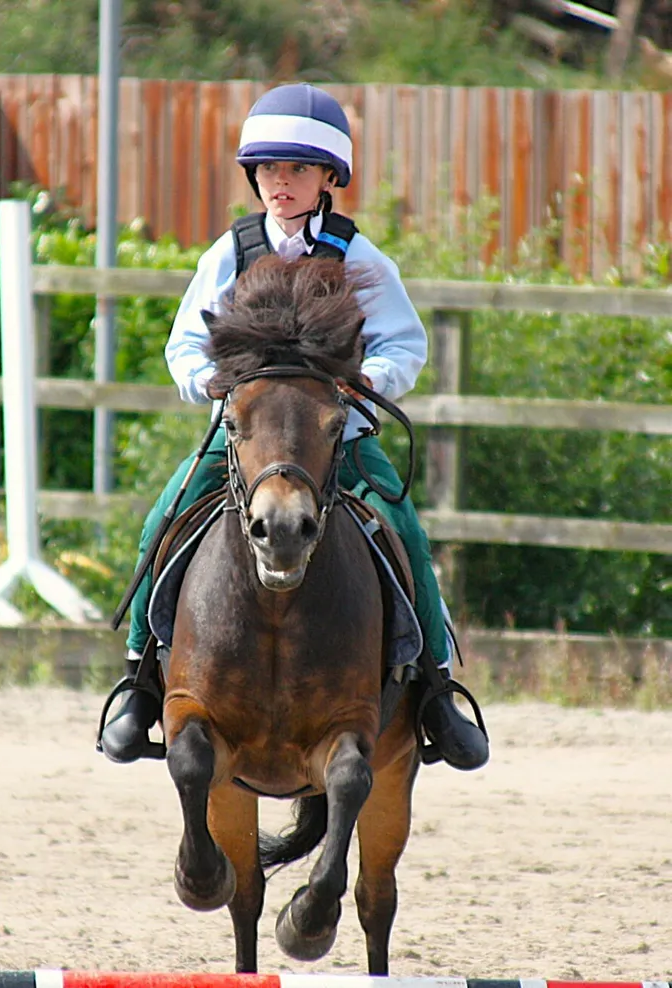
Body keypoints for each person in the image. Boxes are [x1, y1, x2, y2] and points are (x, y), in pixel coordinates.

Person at [99, 83, 488, 772]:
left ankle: (435, 689)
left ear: (327, 178)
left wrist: (366, 387)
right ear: (254, 176)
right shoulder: (232, 250)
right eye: (271, 170)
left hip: (338, 438)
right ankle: (137, 679)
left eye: (299, 170)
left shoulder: (359, 257)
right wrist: (209, 385)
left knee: (409, 534)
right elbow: (184, 344)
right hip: (246, 441)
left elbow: (406, 346)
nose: (283, 183)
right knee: (161, 520)